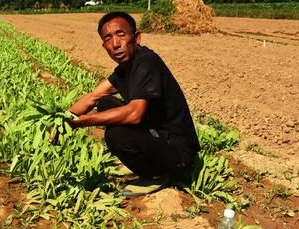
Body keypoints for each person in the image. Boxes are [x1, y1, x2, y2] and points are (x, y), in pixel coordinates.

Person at [68, 11, 200, 197]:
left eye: (121, 35)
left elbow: (135, 113)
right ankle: (144, 162)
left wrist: (83, 121)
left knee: (117, 134)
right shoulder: (124, 69)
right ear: (104, 45)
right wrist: (63, 120)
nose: (115, 44)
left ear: (136, 38)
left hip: (179, 151)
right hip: (158, 135)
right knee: (105, 103)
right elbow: (93, 97)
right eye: (108, 38)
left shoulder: (147, 62)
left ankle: (156, 175)